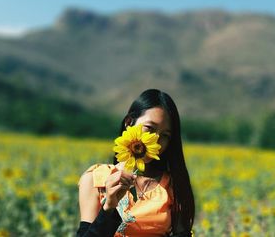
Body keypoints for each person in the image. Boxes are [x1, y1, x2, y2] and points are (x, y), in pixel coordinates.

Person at [76, 89, 195, 237]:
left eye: (165, 135)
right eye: (149, 128)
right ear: (129, 123)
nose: (155, 141)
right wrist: (109, 208)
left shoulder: (172, 185)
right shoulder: (96, 179)